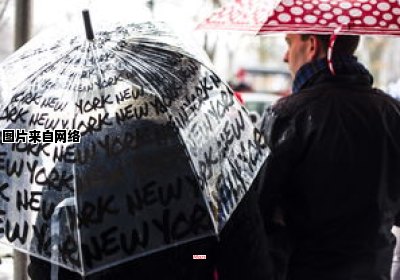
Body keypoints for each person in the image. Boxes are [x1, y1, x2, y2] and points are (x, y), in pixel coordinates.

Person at [259, 33, 400, 280]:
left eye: (289, 43)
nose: (285, 56)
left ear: (312, 45)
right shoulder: (391, 113)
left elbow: (258, 212)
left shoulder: (288, 115)